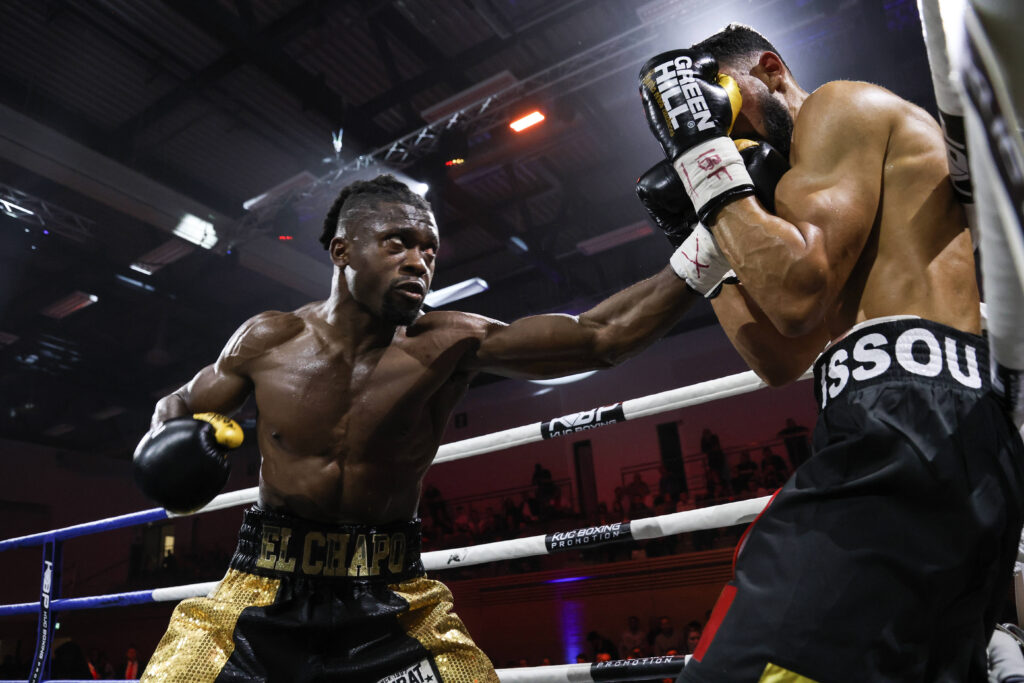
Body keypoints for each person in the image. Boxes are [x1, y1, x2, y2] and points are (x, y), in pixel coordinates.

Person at [133, 174, 705, 681]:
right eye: (398, 243)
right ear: (341, 251)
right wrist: (174, 451)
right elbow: (175, 405)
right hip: (263, 589)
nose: (418, 262)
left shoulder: (451, 341)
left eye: (429, 249)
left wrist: (707, 247)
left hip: (393, 599)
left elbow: (598, 337)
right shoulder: (270, 340)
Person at [638, 23, 1024, 681]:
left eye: (730, 111)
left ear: (769, 69)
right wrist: (702, 228)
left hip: (907, 421)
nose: (738, 148)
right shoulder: (815, 195)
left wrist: (701, 152)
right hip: (943, 436)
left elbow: (796, 291)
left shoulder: (838, 106)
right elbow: (782, 356)